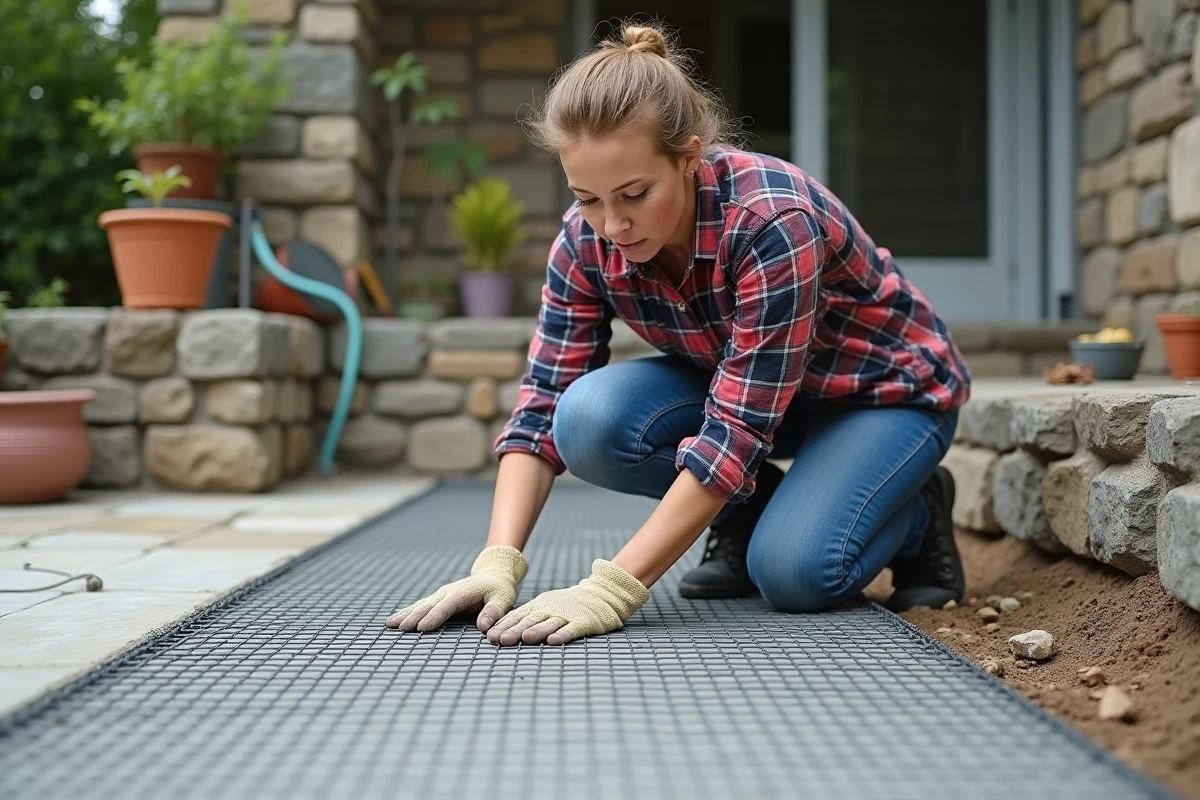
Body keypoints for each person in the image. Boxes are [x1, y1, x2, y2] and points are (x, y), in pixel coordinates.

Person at [386, 21, 971, 648]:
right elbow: (544, 401)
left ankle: (914, 512)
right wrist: (496, 561)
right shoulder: (585, 241)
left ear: (689, 158)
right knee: (587, 419)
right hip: (762, 398)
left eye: (635, 193)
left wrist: (612, 588)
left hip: (879, 395)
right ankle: (750, 513)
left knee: (795, 573)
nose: (611, 223)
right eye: (587, 197)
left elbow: (737, 430)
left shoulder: (771, 222)